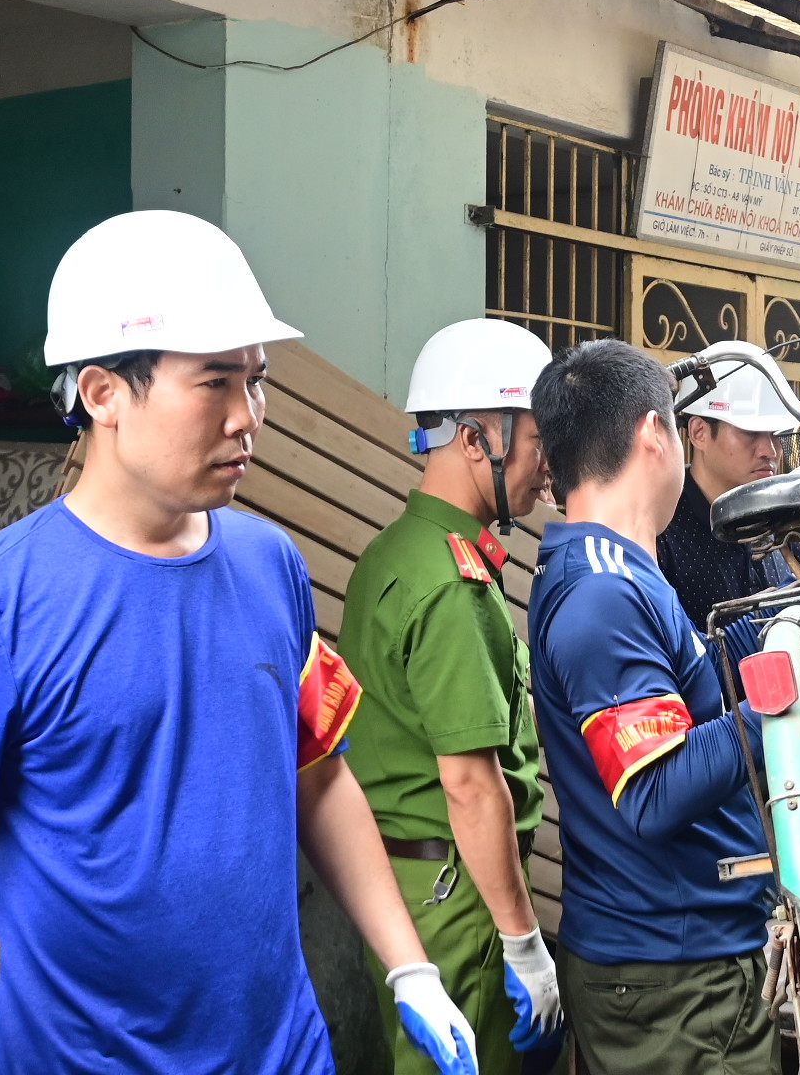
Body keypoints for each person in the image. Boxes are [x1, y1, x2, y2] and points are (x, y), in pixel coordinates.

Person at [0, 211, 477, 1075]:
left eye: (257, 380)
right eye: (214, 383)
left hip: (283, 1055)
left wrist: (409, 967)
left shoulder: (271, 563)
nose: (249, 418)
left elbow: (318, 777)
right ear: (102, 394)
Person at [526, 339, 777, 1075]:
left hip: (683, 963)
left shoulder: (627, 571)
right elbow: (656, 790)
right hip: (672, 984)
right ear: (654, 433)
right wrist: (774, 706)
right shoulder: (603, 595)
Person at [339, 317, 561, 1075]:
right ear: (477, 440)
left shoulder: (395, 550)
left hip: (412, 887)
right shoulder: (452, 588)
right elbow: (470, 785)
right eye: (536, 441)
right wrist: (523, 942)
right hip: (460, 899)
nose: (547, 467)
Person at [656, 363, 797, 639]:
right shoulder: (662, 528)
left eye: (776, 435)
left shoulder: (786, 522)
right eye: (750, 431)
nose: (769, 450)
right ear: (699, 433)